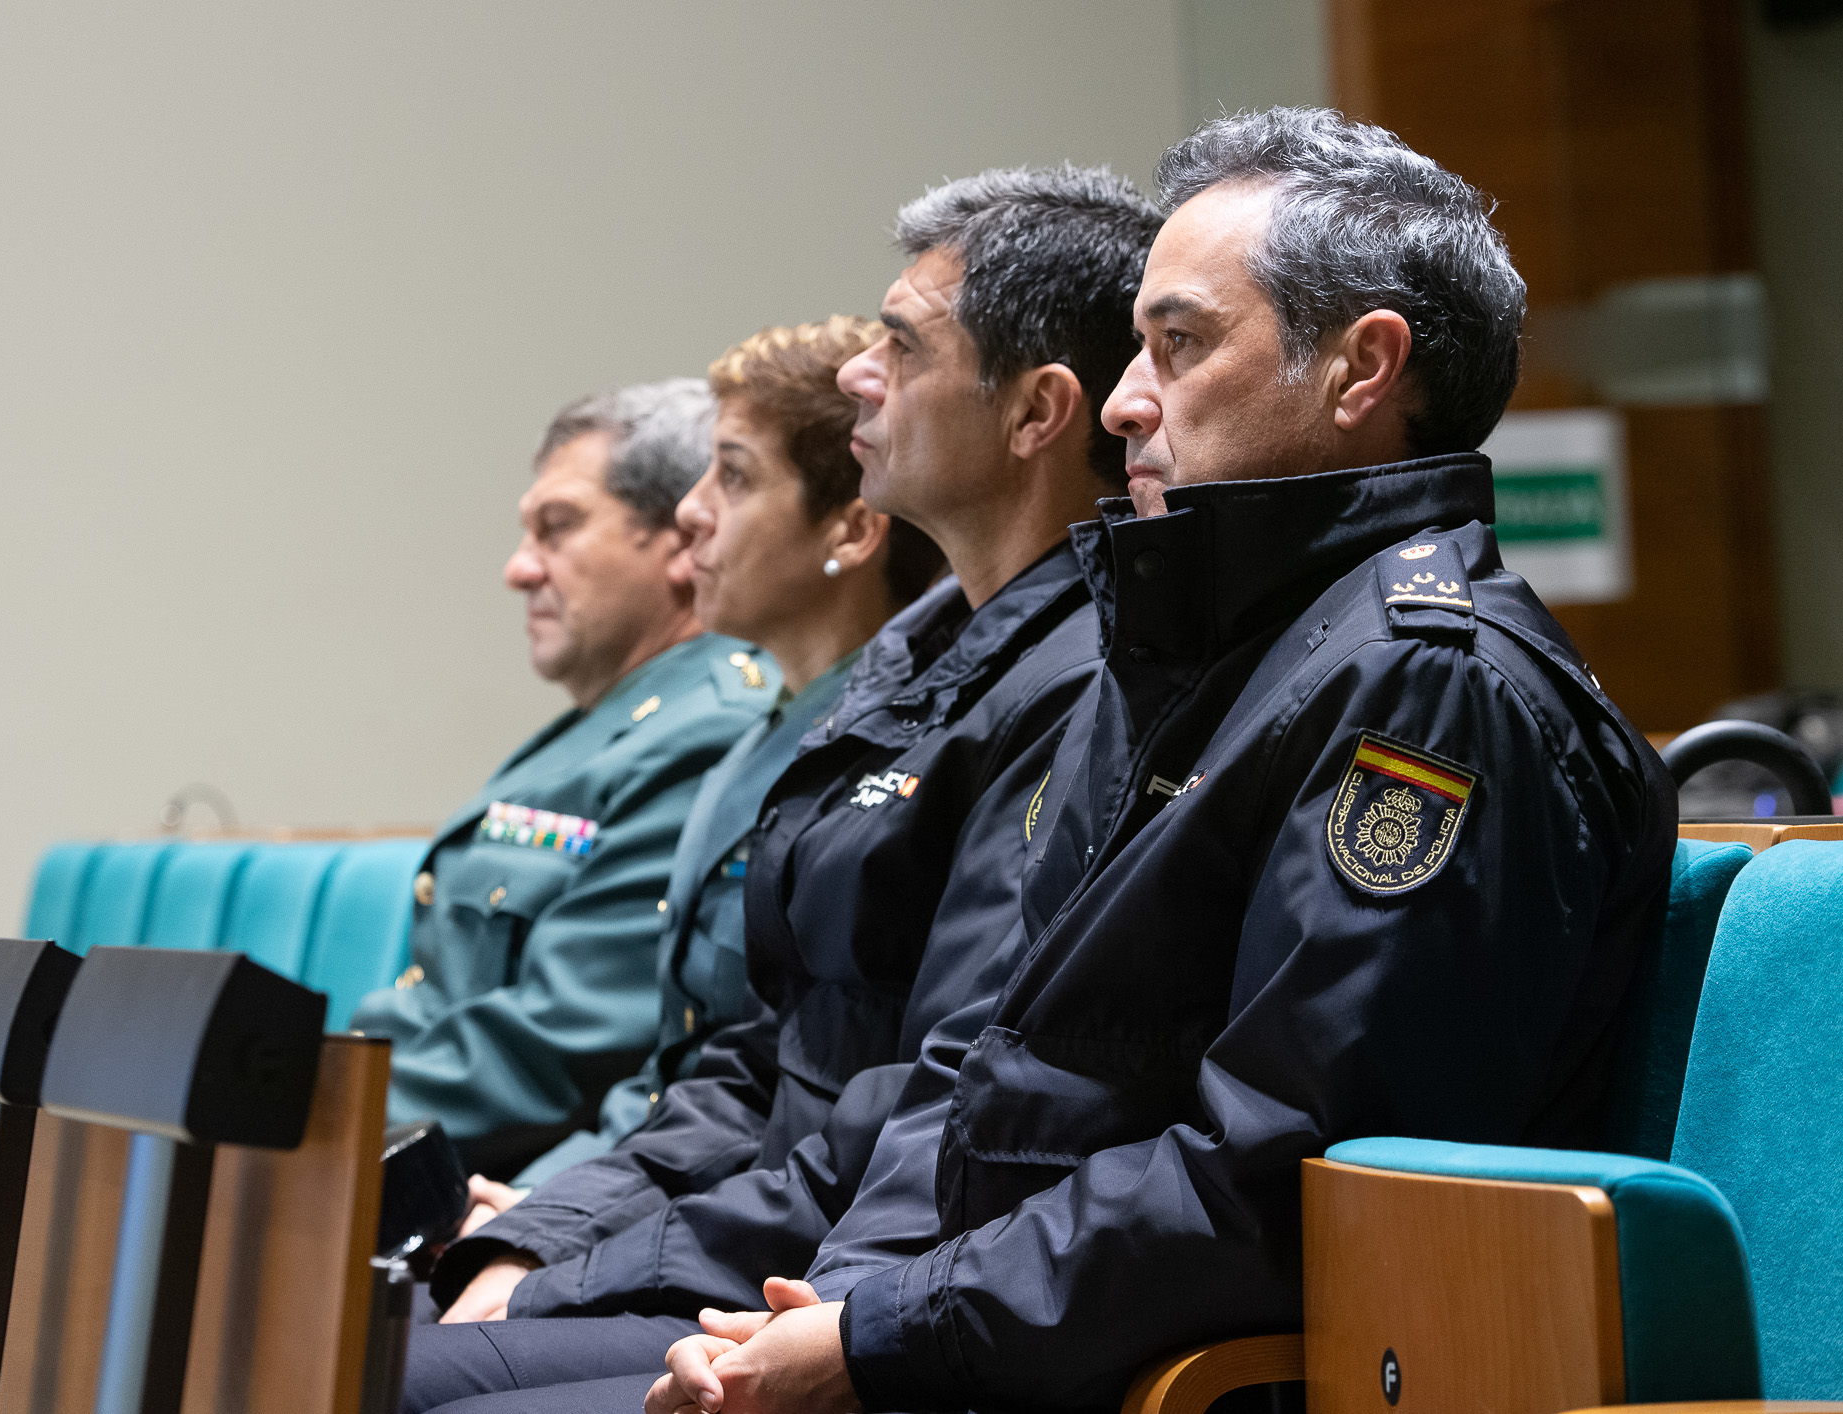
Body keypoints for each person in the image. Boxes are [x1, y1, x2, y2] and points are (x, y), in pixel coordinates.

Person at [645, 108, 1677, 1414]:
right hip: (993, 1335)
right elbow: (986, 1059)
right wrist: (848, 1301)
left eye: (1178, 345)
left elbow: (1280, 1170)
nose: (1126, 401)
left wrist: (883, 1334)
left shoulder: (1422, 691)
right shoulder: (1220, 658)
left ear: (1360, 370)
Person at [410, 165, 1160, 1409]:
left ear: (1035, 414)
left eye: (902, 347)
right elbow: (763, 1056)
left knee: (362, 1373)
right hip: (767, 1243)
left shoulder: (1081, 685)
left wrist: (570, 1268)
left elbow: (929, 1108)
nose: (862, 373)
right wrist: (552, 1228)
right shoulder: (918, 662)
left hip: (842, 1284)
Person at [458, 316, 946, 1202]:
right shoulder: (766, 738)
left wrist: (551, 1218)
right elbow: (681, 1070)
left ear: (849, 530)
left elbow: (798, 1096)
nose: (690, 512)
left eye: (733, 476)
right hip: (654, 1180)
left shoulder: (890, 756)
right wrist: (543, 1207)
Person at [352, 380, 776, 1175]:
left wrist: (313, 1112)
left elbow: (562, 1040)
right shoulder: (611, 722)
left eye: (558, 529)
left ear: (680, 537)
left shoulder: (704, 730)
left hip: (511, 1188)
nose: (519, 570)